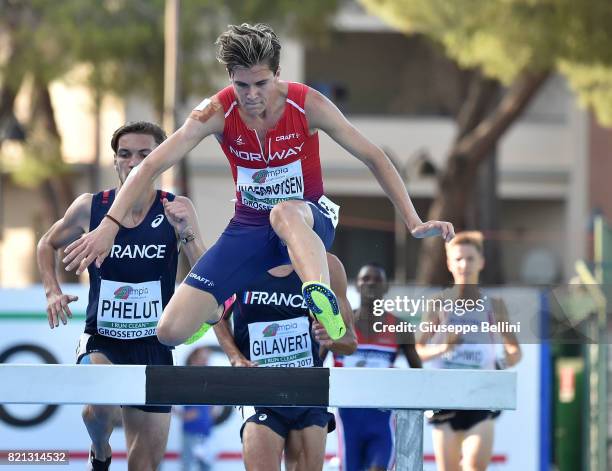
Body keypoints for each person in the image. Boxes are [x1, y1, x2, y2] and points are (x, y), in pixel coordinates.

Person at [62, 23, 454, 348]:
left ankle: (321, 299)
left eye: (261, 84)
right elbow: (150, 166)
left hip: (307, 221)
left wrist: (413, 219)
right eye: (241, 85)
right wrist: (108, 226)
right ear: (230, 79)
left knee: (284, 211)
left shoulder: (307, 104)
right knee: (168, 333)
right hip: (248, 228)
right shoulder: (215, 111)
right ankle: (218, 304)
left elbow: (373, 155)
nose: (251, 96)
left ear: (277, 74)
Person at [37, 121, 206, 471]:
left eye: (146, 155)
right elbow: (46, 244)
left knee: (143, 466)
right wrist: (52, 290)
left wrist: (187, 233)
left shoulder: (176, 208)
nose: (135, 162)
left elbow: (207, 274)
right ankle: (100, 451)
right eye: (125, 155)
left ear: (161, 160)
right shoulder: (90, 207)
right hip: (103, 339)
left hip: (154, 345)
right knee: (101, 406)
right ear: (114, 162)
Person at [213, 253, 357, 471]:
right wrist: (235, 358)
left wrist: (331, 336)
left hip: (307, 392)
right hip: (258, 390)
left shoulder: (325, 264)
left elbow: (349, 342)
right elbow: (216, 315)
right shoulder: (242, 258)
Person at [415, 231, 522, 471]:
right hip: (445, 400)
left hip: (479, 398)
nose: (465, 264)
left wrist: (501, 363)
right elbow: (419, 351)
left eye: (470, 258)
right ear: (449, 263)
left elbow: (515, 351)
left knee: (474, 466)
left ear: (481, 262)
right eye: (459, 259)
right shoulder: (438, 303)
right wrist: (444, 348)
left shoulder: (494, 306)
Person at [331, 263, 422, 471]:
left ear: (386, 287)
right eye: (365, 279)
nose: (371, 283)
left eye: (377, 280)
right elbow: (317, 365)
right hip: (348, 418)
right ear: (356, 286)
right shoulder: (339, 324)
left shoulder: (400, 327)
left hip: (382, 418)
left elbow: (419, 374)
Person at [180, 346, 215, 471]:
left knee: (206, 466)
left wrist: (211, 412)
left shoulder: (208, 378)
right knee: (188, 465)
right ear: (194, 359)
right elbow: (166, 398)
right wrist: (182, 415)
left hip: (206, 431)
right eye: (203, 358)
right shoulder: (186, 378)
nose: (206, 361)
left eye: (207, 358)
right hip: (191, 430)